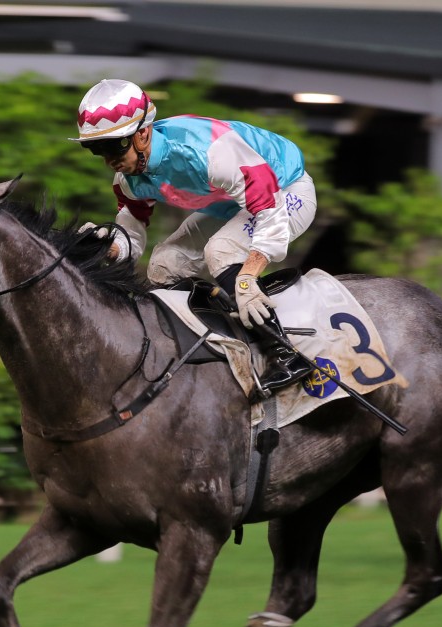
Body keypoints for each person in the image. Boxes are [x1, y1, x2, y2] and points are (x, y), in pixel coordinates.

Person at [71, 78, 317, 395]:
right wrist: (109, 247)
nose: (109, 160)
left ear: (143, 133)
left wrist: (248, 276)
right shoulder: (129, 181)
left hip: (284, 191)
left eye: (114, 146)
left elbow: (268, 208)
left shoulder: (208, 151)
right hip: (232, 203)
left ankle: (286, 354)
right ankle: (200, 348)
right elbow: (131, 239)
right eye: (97, 149)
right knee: (163, 265)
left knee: (223, 251)